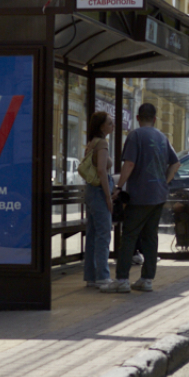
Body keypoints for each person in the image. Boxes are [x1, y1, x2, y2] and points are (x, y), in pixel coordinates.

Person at [104, 103, 180, 293]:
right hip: (158, 195)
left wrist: (119, 186)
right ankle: (146, 279)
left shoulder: (135, 136)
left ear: (138, 118)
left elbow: (129, 163)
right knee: (150, 237)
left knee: (129, 236)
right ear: (155, 119)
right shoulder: (162, 137)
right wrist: (164, 181)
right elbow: (176, 163)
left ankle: (122, 280)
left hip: (140, 196)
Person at [82, 112, 118, 292]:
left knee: (92, 234)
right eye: (110, 123)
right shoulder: (102, 143)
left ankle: (91, 277)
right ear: (102, 126)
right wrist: (107, 196)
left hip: (90, 191)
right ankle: (103, 277)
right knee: (104, 234)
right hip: (98, 192)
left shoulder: (91, 143)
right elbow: (102, 171)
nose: (113, 126)